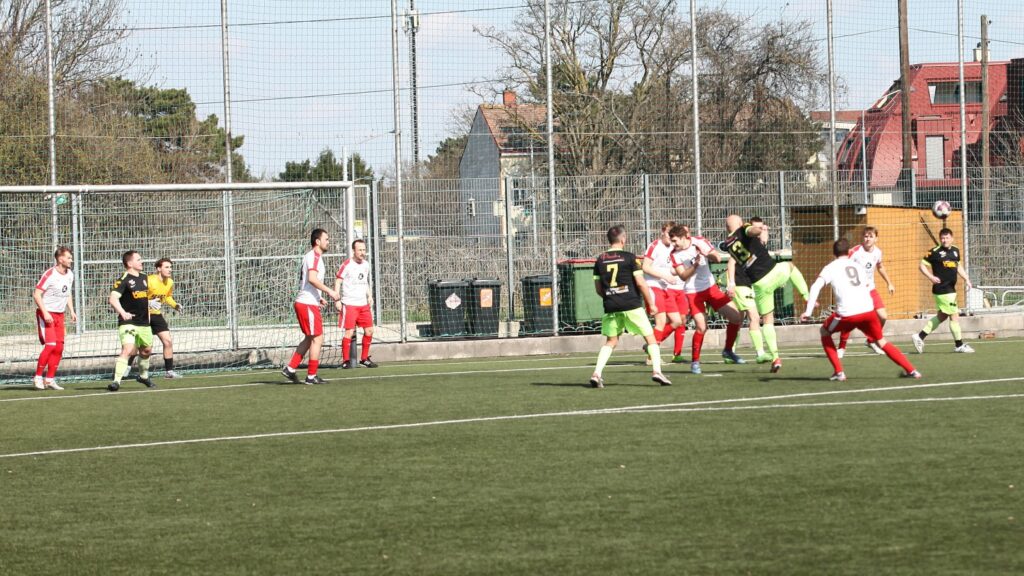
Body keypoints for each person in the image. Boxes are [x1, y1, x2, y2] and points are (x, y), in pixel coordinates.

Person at [801, 238, 920, 380]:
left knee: (824, 331)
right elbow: (868, 287)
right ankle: (912, 371)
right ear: (848, 252)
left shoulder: (830, 267)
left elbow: (815, 287)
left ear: (834, 253)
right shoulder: (857, 266)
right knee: (881, 341)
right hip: (868, 311)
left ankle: (839, 372)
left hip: (847, 314)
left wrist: (808, 312)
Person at [721, 214, 810, 373]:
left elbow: (737, 257)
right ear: (740, 223)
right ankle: (807, 298)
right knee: (790, 266)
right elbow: (751, 231)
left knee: (767, 319)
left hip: (758, 284)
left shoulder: (728, 244)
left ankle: (775, 357)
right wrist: (758, 229)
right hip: (771, 272)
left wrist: (731, 283)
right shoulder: (744, 229)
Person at [589, 225, 672, 388]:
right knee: (650, 338)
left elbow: (598, 288)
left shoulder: (600, 259)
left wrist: (611, 297)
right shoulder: (630, 258)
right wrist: (651, 304)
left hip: (611, 306)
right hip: (631, 304)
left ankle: (596, 373)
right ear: (623, 239)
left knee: (611, 341)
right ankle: (657, 371)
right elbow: (641, 283)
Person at [668, 224, 744, 374]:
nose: (673, 244)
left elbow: (717, 258)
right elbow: (683, 276)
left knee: (736, 317)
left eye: (675, 241)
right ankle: (695, 362)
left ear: (683, 238)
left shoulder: (700, 241)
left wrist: (705, 253)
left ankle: (728, 350)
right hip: (693, 293)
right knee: (702, 327)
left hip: (711, 288)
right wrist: (695, 265)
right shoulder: (674, 254)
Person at [282, 229, 341, 385]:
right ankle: (311, 376)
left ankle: (290, 368)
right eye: (326, 239)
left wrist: (318, 297)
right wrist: (330, 292)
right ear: (317, 241)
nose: (328, 242)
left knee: (310, 338)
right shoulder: (313, 256)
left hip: (307, 302)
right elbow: (312, 279)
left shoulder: (314, 257)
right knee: (317, 338)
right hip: (306, 304)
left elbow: (307, 283)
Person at [911, 227, 974, 354]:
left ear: (952, 238)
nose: (944, 240)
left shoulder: (955, 250)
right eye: (942, 238)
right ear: (940, 239)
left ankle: (920, 336)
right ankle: (959, 345)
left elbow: (958, 266)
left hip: (951, 289)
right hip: (943, 290)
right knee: (954, 315)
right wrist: (931, 277)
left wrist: (966, 279)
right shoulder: (934, 252)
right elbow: (921, 265)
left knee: (942, 316)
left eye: (947, 238)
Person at [836, 227, 894, 358]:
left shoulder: (878, 252)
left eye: (871, 236)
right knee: (849, 319)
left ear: (876, 239)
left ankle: (871, 340)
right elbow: (842, 264)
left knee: (883, 316)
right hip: (855, 291)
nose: (868, 239)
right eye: (866, 236)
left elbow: (880, 267)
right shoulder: (855, 251)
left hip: (870, 289)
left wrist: (889, 283)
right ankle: (841, 347)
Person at [640, 222, 687, 365]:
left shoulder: (672, 248)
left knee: (677, 321)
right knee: (660, 322)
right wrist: (664, 276)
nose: (670, 237)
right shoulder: (655, 246)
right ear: (662, 231)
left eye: (672, 235)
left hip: (665, 288)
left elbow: (670, 269)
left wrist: (682, 271)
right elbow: (645, 267)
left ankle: (651, 345)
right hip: (653, 286)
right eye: (668, 234)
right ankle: (651, 357)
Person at [108, 250, 155, 391]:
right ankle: (116, 381)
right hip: (128, 322)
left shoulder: (145, 277)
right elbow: (113, 299)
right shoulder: (124, 279)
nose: (142, 262)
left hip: (144, 323)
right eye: (138, 259)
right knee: (128, 349)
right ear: (129, 263)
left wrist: (151, 304)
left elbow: (144, 298)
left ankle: (143, 377)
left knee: (146, 350)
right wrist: (123, 313)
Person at [32, 246, 77, 390]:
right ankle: (38, 377)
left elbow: (67, 293)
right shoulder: (50, 274)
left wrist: (72, 310)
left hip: (60, 315)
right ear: (60, 259)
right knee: (50, 345)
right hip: (47, 314)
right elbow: (37, 294)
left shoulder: (70, 274)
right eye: (68, 257)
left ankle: (49, 379)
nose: (71, 260)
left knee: (59, 348)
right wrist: (45, 313)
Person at [726, 217, 767, 363]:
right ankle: (760, 353)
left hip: (742, 285)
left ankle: (730, 352)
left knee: (738, 320)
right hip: (741, 285)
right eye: (759, 227)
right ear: (741, 224)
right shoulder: (741, 238)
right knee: (754, 317)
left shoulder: (735, 240)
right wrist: (731, 283)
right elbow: (731, 262)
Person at [335, 239, 378, 369]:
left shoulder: (366, 265)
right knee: (349, 332)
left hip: (363, 304)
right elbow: (338, 281)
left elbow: (365, 282)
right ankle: (346, 361)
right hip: (350, 304)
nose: (362, 252)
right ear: (354, 250)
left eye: (364, 250)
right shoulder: (347, 264)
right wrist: (337, 299)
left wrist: (369, 295)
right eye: (360, 250)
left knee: (369, 330)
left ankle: (364, 359)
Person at [147, 258, 183, 378]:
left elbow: (168, 297)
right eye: (166, 267)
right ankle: (127, 368)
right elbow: (137, 297)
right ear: (158, 268)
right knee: (143, 346)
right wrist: (148, 302)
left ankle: (169, 372)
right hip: (143, 315)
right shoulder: (149, 280)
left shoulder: (170, 282)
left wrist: (175, 305)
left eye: (170, 267)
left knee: (168, 341)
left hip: (156, 315)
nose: (170, 269)